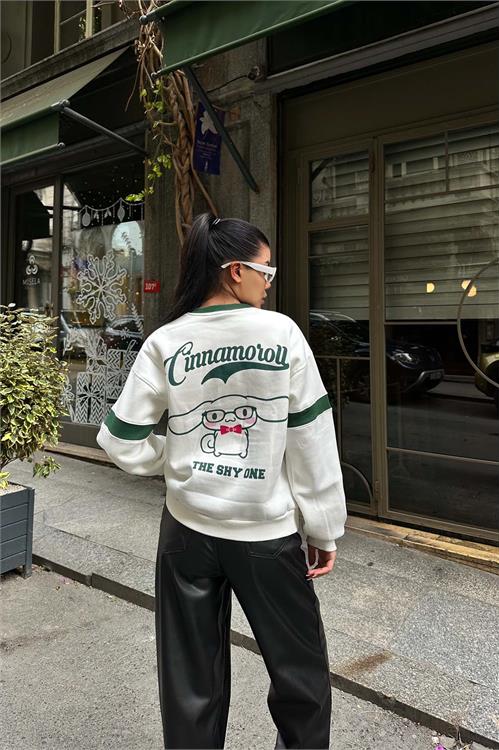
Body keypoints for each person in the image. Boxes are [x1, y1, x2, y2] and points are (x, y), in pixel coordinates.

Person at [96, 212, 347, 750]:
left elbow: (118, 438)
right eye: (266, 270)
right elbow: (311, 440)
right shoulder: (282, 334)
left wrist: (176, 459)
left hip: (186, 533)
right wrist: (324, 527)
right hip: (266, 536)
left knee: (191, 684)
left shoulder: (167, 341)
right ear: (235, 271)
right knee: (300, 676)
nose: (268, 282)